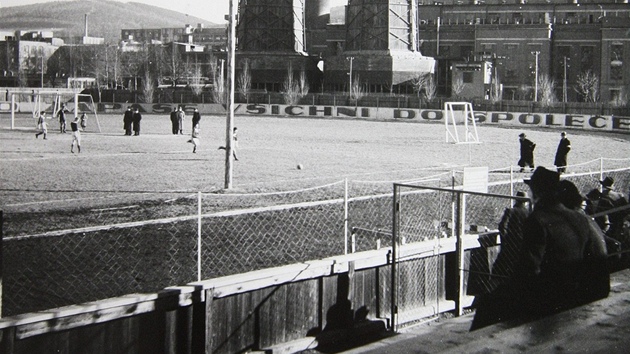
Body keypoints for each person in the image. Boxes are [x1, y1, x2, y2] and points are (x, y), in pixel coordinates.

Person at [471, 167, 608, 330]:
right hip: (573, 292)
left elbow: (527, 269)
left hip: (550, 298)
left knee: (488, 301)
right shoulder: (579, 218)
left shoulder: (537, 219)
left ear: (536, 192)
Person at [491, 191, 530, 285]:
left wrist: (505, 239)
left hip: (510, 244)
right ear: (525, 202)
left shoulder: (511, 211)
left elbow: (502, 226)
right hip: (522, 244)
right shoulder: (528, 213)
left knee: (500, 267)